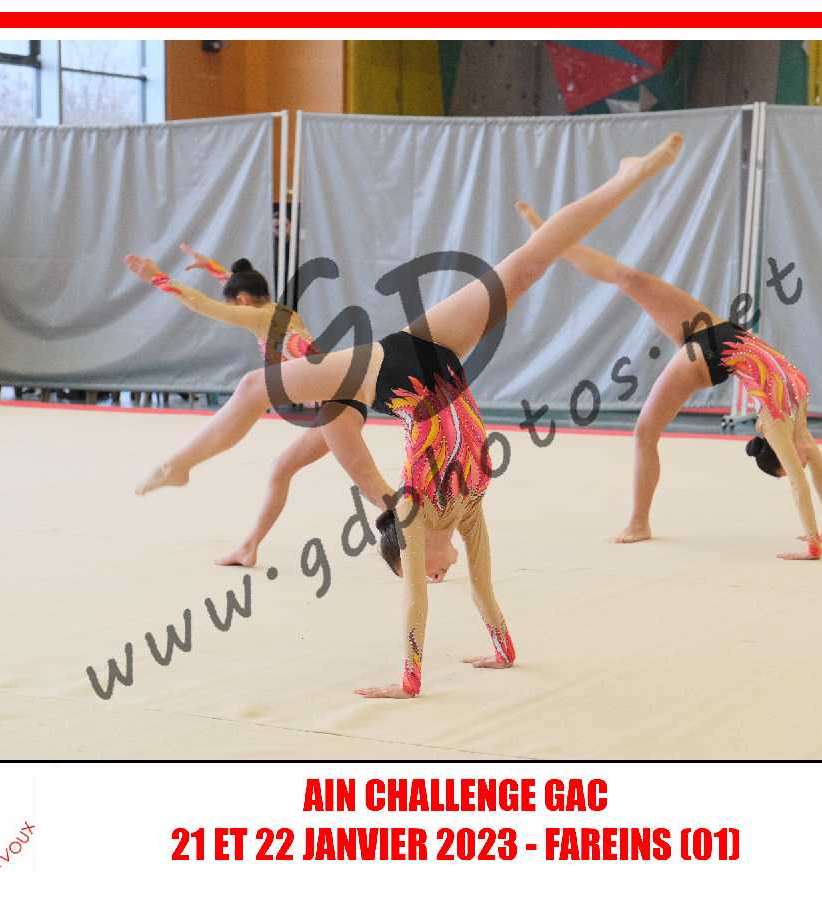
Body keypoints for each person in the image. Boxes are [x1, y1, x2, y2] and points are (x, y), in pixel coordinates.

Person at [124, 133, 684, 697]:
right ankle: (627, 178)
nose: (436, 575)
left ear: (408, 549)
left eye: (422, 568)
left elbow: (413, 598)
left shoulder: (410, 511)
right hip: (435, 353)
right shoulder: (468, 506)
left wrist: (408, 680)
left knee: (258, 390)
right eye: (433, 572)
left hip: (383, 370)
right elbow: (484, 588)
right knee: (526, 268)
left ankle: (179, 464)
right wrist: (503, 652)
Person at [514, 201, 822, 560]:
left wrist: (813, 546)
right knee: (631, 279)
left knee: (645, 430)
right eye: (796, 462)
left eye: (794, 461)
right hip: (721, 331)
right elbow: (814, 473)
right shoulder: (799, 422)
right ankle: (553, 241)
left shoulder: (776, 425)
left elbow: (799, 481)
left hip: (705, 359)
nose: (803, 462)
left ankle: (639, 521)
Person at [129, 244, 462, 581]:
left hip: (338, 401)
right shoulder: (281, 312)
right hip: (339, 400)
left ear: (241, 300)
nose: (235, 311)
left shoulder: (259, 318)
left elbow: (203, 305)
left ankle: (436, 544)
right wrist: (212, 267)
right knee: (282, 468)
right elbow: (238, 284)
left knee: (374, 488)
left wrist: (157, 277)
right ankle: (248, 546)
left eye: (234, 304)